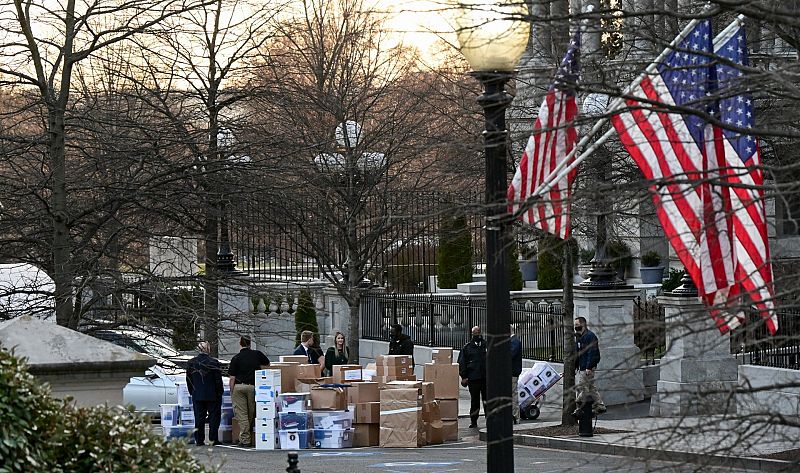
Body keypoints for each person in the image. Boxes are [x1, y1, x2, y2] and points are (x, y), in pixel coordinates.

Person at [228, 335, 270, 447]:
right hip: (252, 386)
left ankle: (245, 440)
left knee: (242, 414)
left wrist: (232, 392)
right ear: (250, 343)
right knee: (251, 413)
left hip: (239, 387)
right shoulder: (257, 354)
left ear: (240, 343)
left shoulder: (236, 358)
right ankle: (247, 437)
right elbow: (267, 363)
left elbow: (232, 378)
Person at [186, 341, 224, 446]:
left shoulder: (191, 363)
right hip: (212, 393)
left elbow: (189, 380)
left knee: (199, 417)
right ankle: (213, 439)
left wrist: (192, 391)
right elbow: (218, 380)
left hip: (197, 393)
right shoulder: (213, 362)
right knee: (214, 417)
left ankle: (199, 439)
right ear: (208, 349)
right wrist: (220, 392)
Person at [574, 317, 607, 415]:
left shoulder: (590, 336)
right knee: (591, 387)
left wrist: (589, 367)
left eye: (577, 324)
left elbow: (592, 353)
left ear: (583, 324)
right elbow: (578, 353)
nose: (575, 327)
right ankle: (600, 406)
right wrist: (576, 366)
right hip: (583, 366)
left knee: (582, 386)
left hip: (587, 367)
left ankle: (579, 405)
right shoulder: (579, 337)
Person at [458, 325, 487, 428]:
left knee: (486, 399)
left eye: (478, 332)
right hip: (473, 378)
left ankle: (489, 419)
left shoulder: (485, 345)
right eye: (475, 333)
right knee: (474, 401)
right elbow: (462, 363)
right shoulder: (467, 348)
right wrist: (464, 376)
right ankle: (474, 421)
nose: (477, 335)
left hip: (485, 377)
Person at [509, 325, 523, 424]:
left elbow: (510, 355)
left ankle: (515, 416)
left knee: (513, 394)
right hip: (511, 371)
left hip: (512, 372)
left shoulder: (514, 341)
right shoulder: (513, 341)